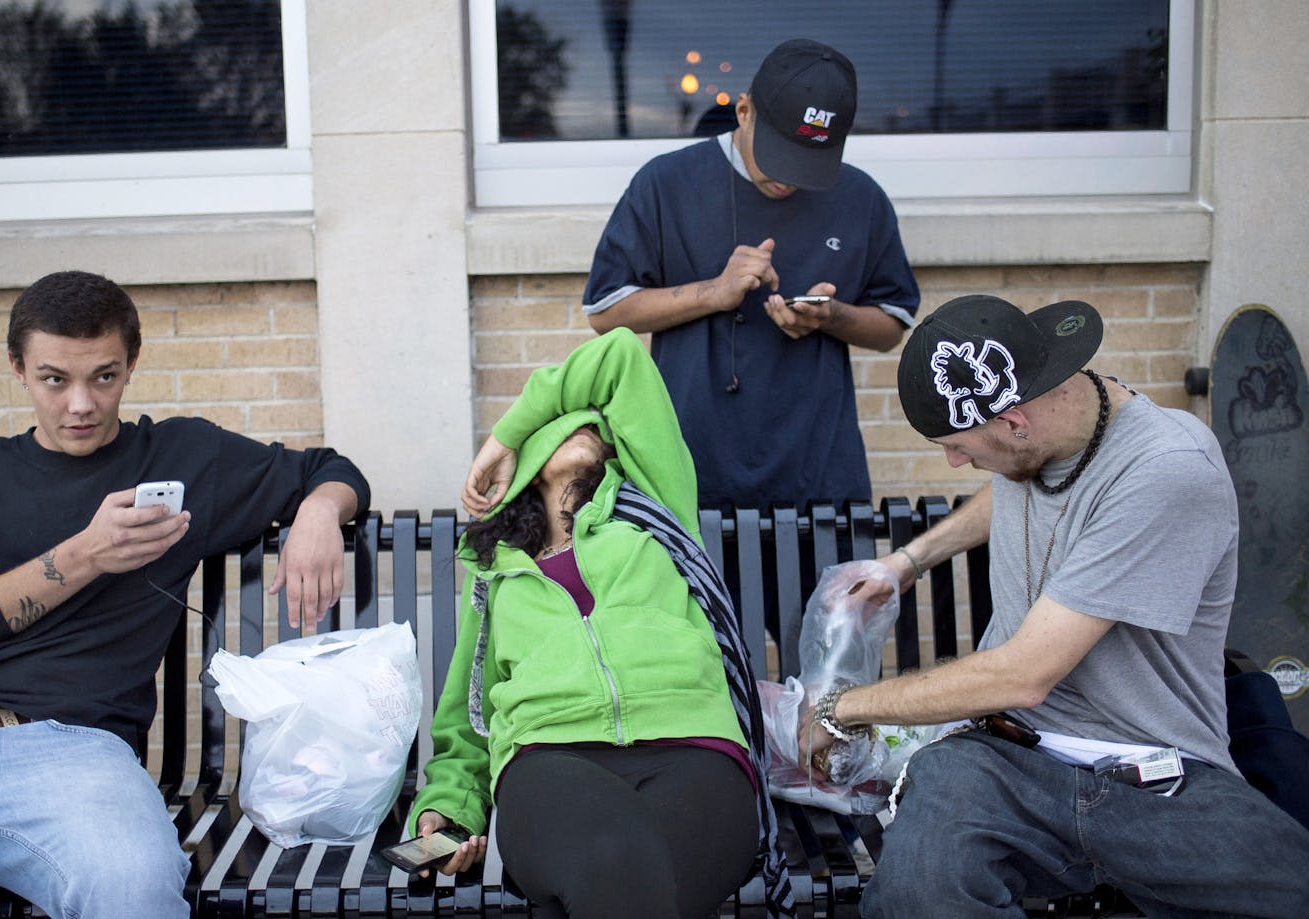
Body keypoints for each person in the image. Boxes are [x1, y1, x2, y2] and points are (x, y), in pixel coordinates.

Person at [797, 295, 1309, 916]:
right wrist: (908, 562)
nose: (954, 461)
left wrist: (839, 708)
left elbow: (1024, 675)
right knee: (919, 895)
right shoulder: (1044, 438)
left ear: (1016, 422)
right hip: (999, 757)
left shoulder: (1167, 469)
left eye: (957, 445)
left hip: (1158, 772)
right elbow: (1012, 487)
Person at [0, 270, 369, 917]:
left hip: (74, 758)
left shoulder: (182, 458)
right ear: (18, 368)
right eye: (55, 379)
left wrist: (316, 514)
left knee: (133, 891)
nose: (81, 404)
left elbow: (331, 471)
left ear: (132, 362)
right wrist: (85, 554)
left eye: (104, 377)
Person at [409, 327, 794, 918]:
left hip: (693, 746)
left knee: (625, 880)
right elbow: (468, 715)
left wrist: (502, 435)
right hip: (550, 758)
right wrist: (443, 809)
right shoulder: (496, 573)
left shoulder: (656, 509)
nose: (591, 420)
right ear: (531, 467)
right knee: (620, 864)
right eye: (567, 418)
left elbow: (618, 358)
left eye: (596, 420)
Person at [584, 38, 919, 514]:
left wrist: (832, 317)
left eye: (810, 162)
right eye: (779, 154)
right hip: (687, 472)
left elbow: (891, 326)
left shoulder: (861, 198)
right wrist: (713, 292)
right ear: (744, 110)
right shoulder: (666, 184)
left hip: (819, 478)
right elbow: (604, 311)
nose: (790, 179)